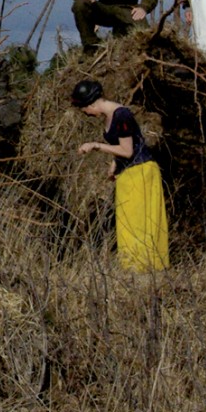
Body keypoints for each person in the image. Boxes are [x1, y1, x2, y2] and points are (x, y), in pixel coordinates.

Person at [72, 78, 169, 272]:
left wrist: (96, 145)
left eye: (85, 109)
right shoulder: (110, 116)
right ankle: (134, 268)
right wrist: (114, 165)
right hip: (128, 173)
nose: (86, 114)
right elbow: (124, 147)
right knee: (128, 222)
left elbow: (128, 151)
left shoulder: (121, 115)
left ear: (91, 103)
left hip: (141, 172)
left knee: (141, 223)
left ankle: (146, 268)